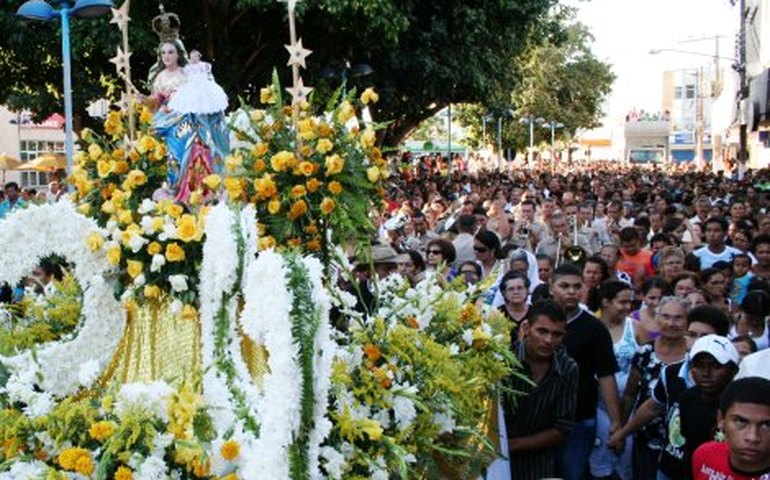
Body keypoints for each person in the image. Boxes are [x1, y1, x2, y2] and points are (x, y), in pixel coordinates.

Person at [548, 263, 621, 480]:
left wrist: (616, 422)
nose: (571, 291)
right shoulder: (537, 321)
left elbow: (606, 375)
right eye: (564, 286)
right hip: (540, 419)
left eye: (577, 286)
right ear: (551, 287)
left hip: (579, 418)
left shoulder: (594, 328)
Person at [503, 300, 579, 480]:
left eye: (557, 334)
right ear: (527, 328)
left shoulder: (568, 369)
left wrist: (512, 445)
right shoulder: (504, 361)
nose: (548, 341)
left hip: (539, 463)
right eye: (542, 331)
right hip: (496, 459)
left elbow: (561, 429)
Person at [147, 39, 229, 204]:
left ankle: (201, 188)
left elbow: (201, 90)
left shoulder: (187, 73)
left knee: (197, 149)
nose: (167, 56)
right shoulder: (159, 77)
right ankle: (176, 187)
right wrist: (145, 100)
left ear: (178, 54)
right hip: (170, 121)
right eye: (163, 53)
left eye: (171, 52)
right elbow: (156, 101)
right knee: (175, 154)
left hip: (189, 119)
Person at [656, 334, 740, 479]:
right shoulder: (688, 398)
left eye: (715, 366)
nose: (706, 373)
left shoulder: (739, 406)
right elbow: (689, 445)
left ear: (733, 369)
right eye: (699, 365)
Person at [590, 279, 637, 480]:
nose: (627, 307)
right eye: (622, 302)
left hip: (630, 408)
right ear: (606, 302)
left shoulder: (636, 328)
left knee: (626, 459)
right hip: (598, 406)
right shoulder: (591, 327)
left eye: (630, 302)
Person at [691, 377, 770, 480]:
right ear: (720, 419)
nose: (752, 437)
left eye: (767, 425)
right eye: (741, 421)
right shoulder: (705, 455)